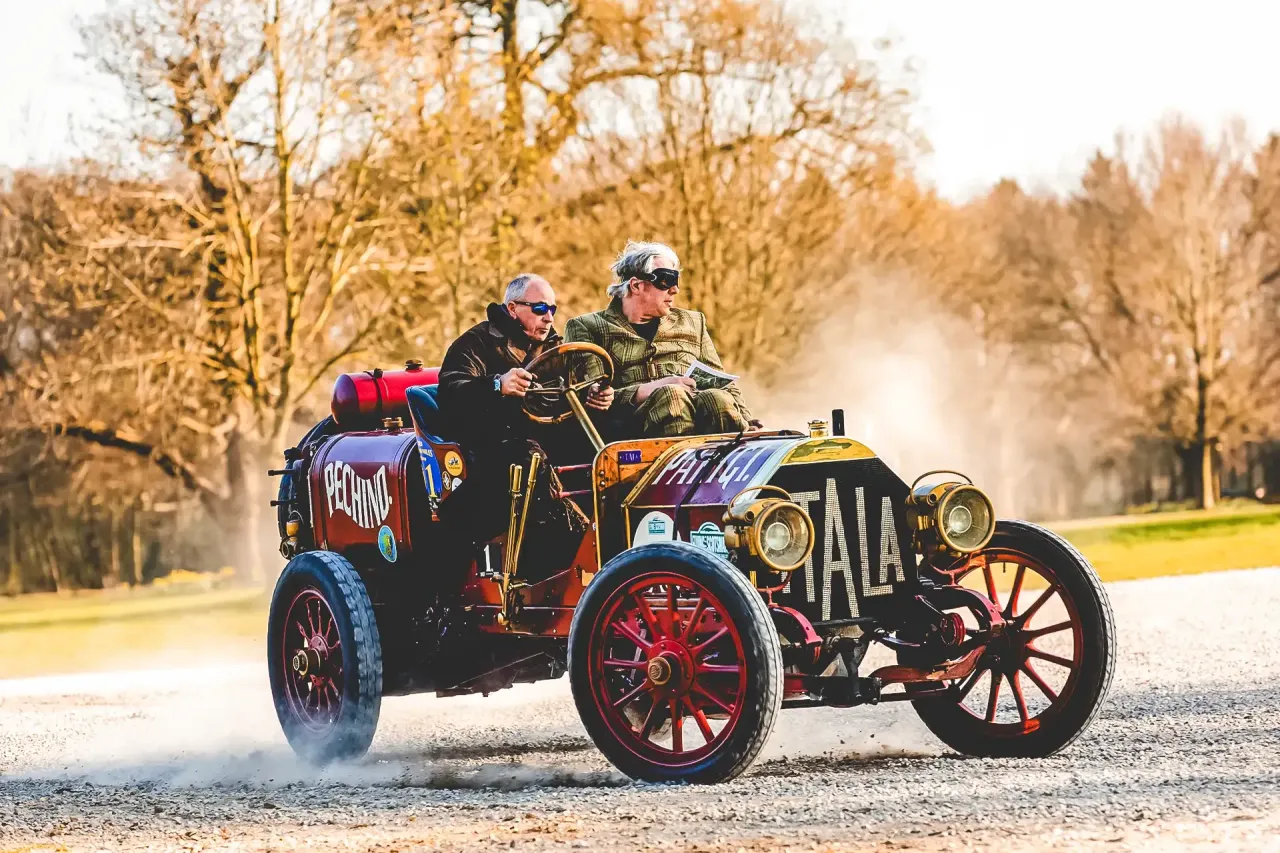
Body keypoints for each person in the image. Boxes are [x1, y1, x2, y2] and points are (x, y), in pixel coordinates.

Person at [436, 274, 613, 547]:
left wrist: (594, 396)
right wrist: (497, 385)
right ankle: (582, 543)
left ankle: (621, 529)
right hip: (490, 447)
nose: (548, 318)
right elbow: (451, 393)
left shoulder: (557, 349)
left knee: (609, 449)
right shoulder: (476, 343)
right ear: (512, 308)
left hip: (547, 438)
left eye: (552, 309)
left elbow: (574, 391)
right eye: (540, 309)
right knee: (529, 458)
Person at [564, 241, 758, 438]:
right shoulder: (587, 327)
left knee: (717, 398)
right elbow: (590, 401)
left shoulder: (693, 322)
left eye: (676, 280)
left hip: (700, 417)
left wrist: (748, 420)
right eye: (666, 280)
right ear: (636, 285)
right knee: (672, 395)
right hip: (631, 433)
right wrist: (654, 388)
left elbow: (723, 382)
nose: (675, 290)